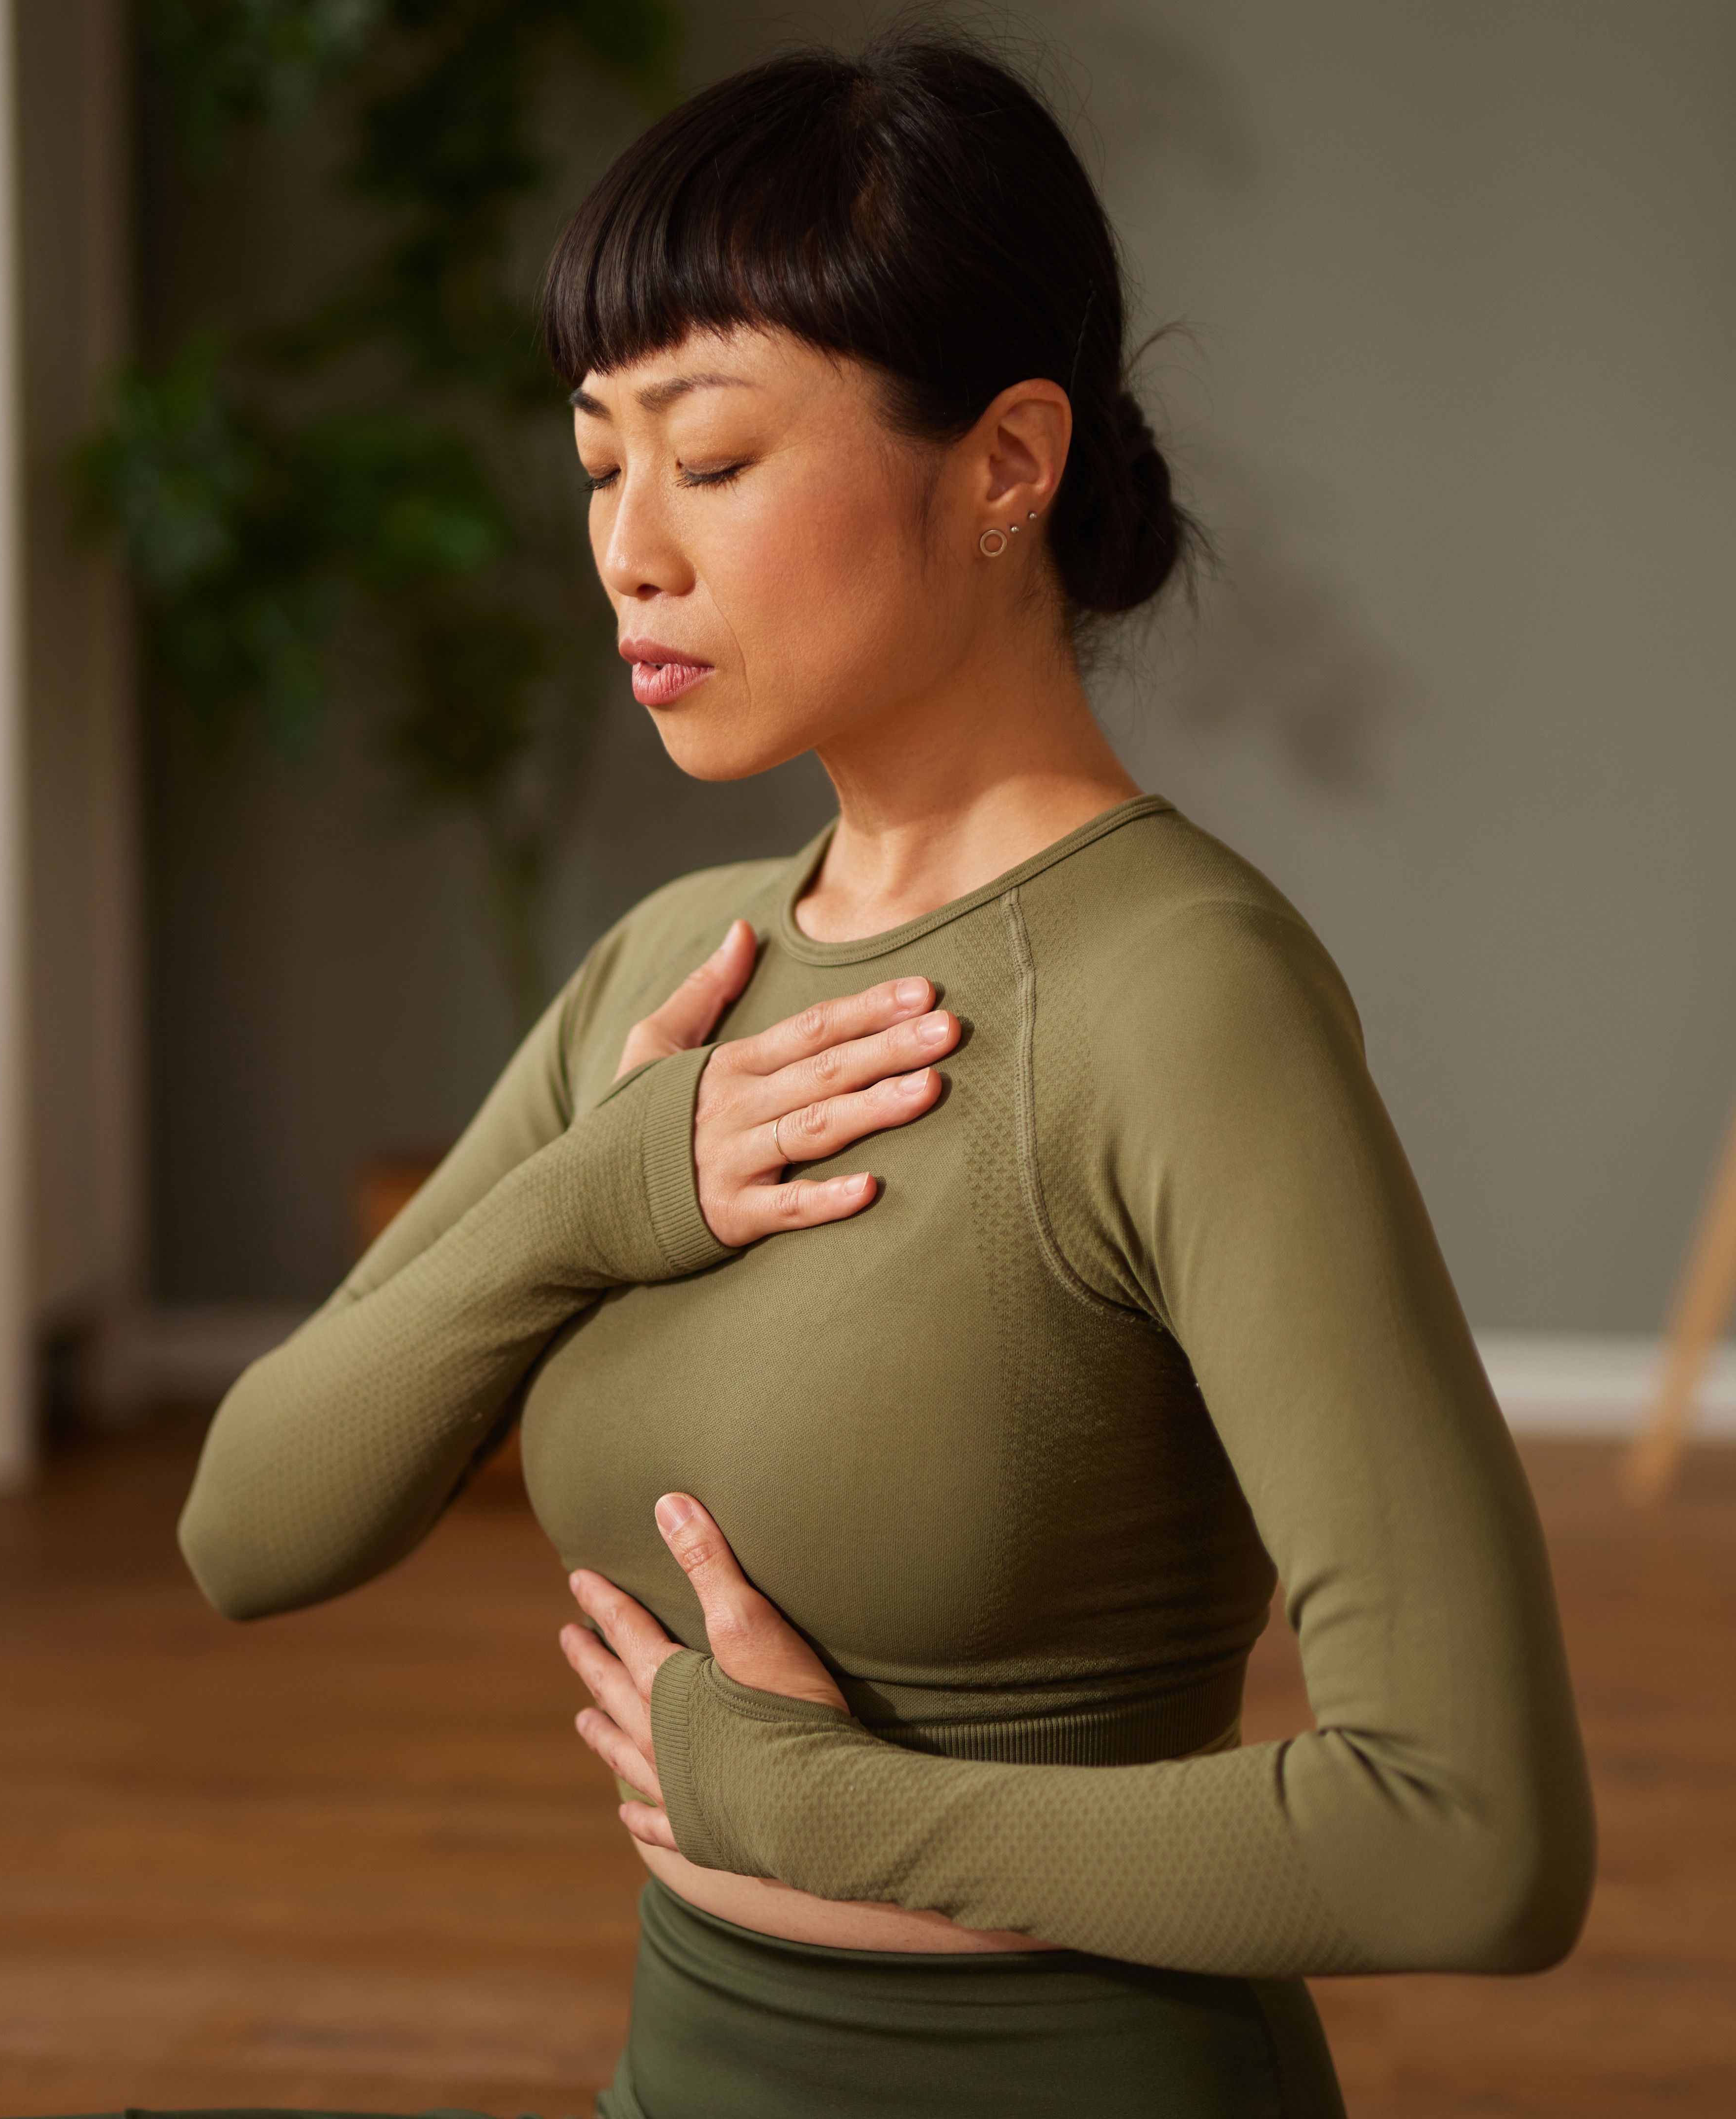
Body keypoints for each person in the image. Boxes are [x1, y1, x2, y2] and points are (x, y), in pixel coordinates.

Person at [165, 31, 1596, 2119]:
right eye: (598, 463)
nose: (629, 550)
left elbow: (1478, 1837)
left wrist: (818, 1809)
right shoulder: (671, 976)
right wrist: (593, 1197)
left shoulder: (1184, 999)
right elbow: (246, 1530)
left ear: (1007, 464)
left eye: (715, 458)